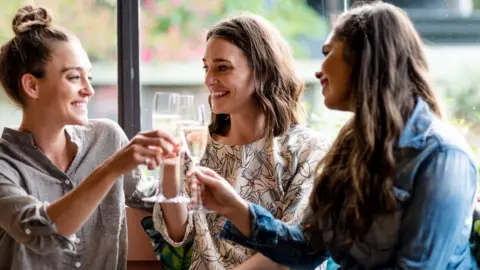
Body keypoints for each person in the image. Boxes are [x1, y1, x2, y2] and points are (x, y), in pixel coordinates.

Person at [189, 2, 479, 269]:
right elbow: (306, 248)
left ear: (364, 58)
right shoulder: (353, 144)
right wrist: (234, 207)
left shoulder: (442, 156)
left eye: (328, 54)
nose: (319, 71)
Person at [0, 5, 177, 269]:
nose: (89, 90)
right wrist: (111, 169)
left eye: (89, 77)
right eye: (74, 77)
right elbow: (40, 233)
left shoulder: (106, 137)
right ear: (32, 85)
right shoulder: (5, 164)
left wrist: (179, 164)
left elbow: (153, 200)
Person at [151, 13, 331, 269]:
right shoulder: (196, 145)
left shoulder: (307, 150)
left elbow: (291, 252)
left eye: (222, 67)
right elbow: (179, 235)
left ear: (263, 72)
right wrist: (170, 165)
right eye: (206, 67)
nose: (208, 79)